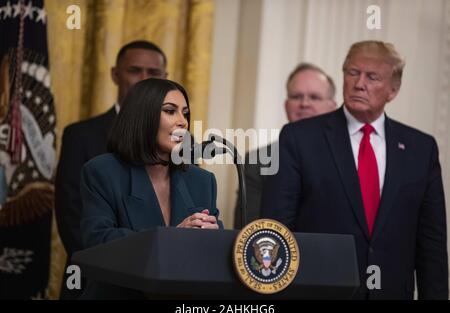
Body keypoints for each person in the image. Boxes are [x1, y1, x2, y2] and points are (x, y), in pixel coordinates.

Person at [260, 40, 448, 299]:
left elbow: (432, 244)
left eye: (372, 77)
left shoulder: (421, 149)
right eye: (353, 72)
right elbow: (275, 228)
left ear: (393, 89)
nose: (360, 83)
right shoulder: (299, 138)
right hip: (319, 293)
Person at [79, 78, 221, 299]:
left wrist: (214, 239)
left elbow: (211, 259)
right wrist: (171, 239)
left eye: (185, 113)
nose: (182, 121)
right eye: (170, 111)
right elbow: (97, 240)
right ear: (143, 116)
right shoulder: (103, 171)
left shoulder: (202, 181)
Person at [55, 40, 167, 299]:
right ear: (115, 75)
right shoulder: (80, 135)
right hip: (94, 281)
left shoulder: (181, 144)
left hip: (159, 284)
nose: (143, 79)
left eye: (153, 73)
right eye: (134, 70)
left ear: (165, 78)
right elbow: (71, 216)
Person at [234, 63, 336, 228]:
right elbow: (249, 230)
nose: (304, 103)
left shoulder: (352, 156)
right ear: (286, 105)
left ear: (333, 106)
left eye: (314, 97)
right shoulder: (256, 161)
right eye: (296, 96)